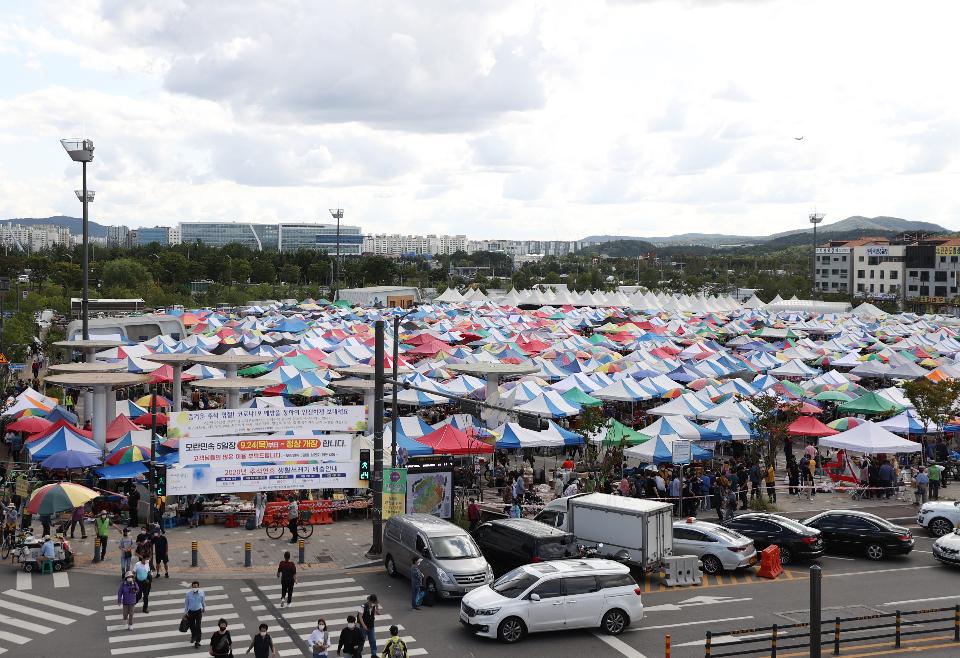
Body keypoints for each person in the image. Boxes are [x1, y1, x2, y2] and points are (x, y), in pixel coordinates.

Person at [184, 580, 206, 649]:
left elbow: (203, 601)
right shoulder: (188, 594)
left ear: (198, 587)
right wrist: (185, 613)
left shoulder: (201, 592)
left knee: (198, 626)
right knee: (192, 626)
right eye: (193, 587)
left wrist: (204, 607)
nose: (194, 588)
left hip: (198, 611)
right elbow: (186, 604)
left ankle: (198, 641)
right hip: (191, 612)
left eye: (196, 587)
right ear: (192, 587)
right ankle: (193, 636)